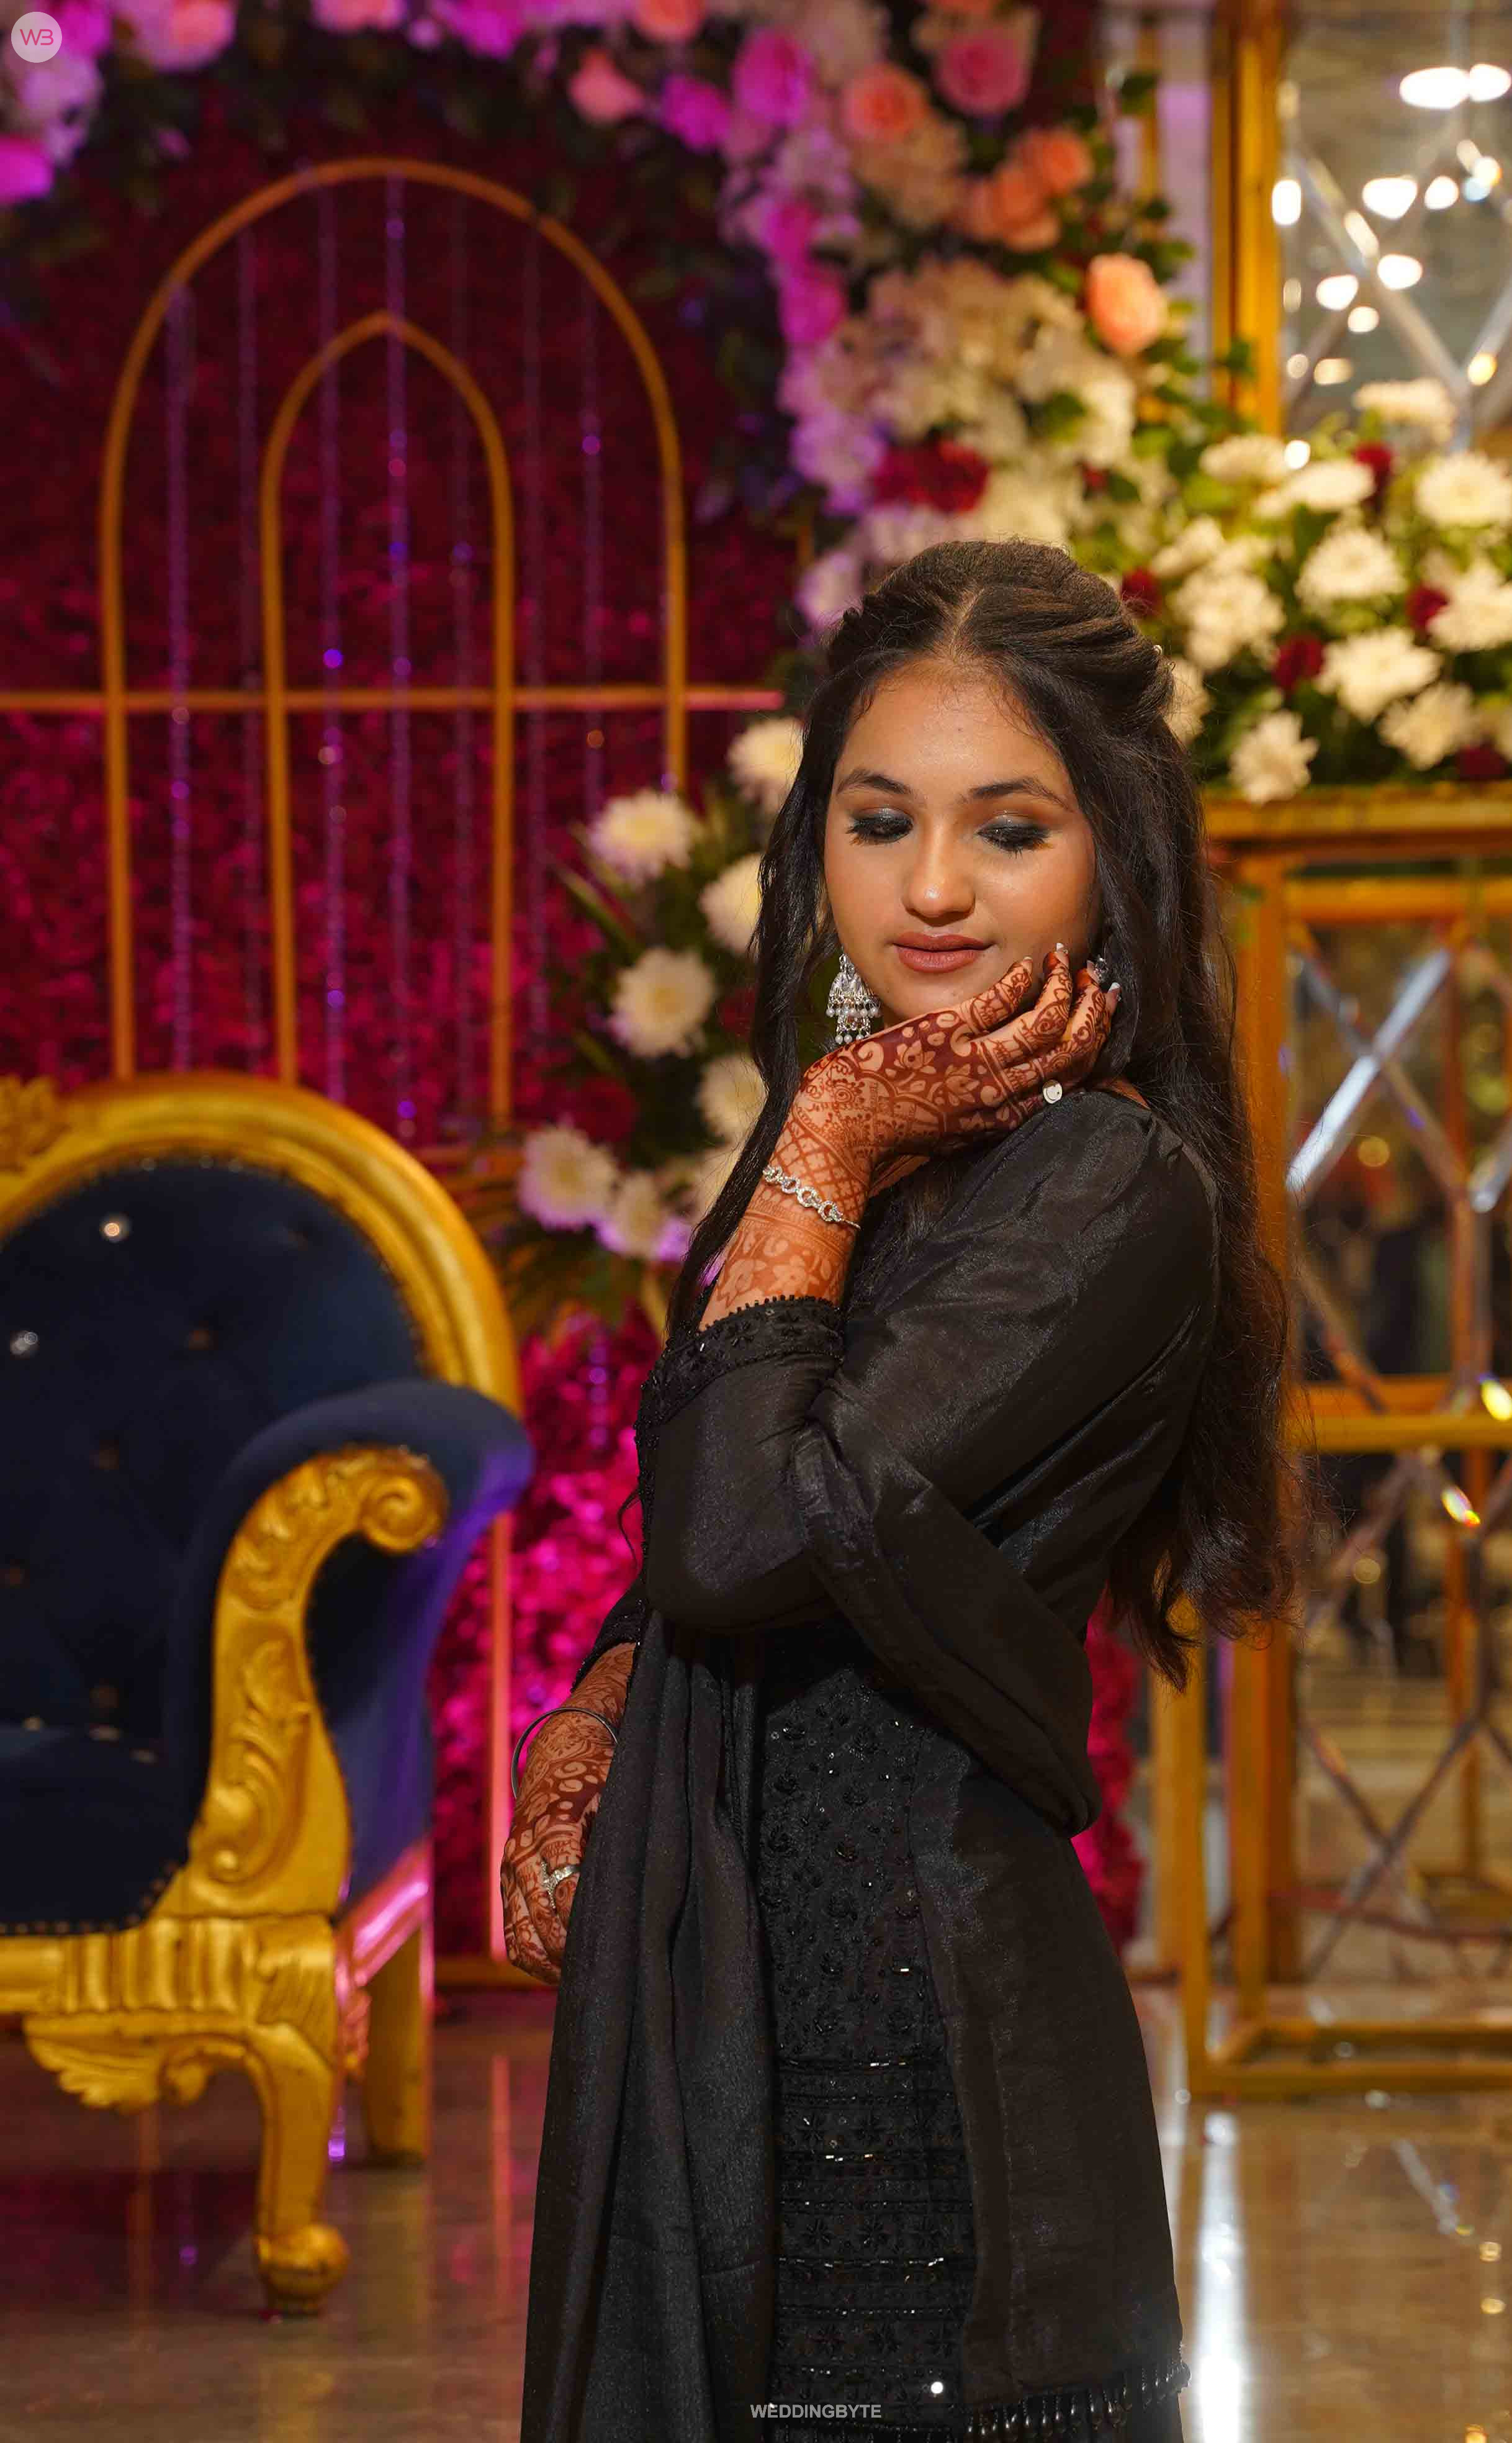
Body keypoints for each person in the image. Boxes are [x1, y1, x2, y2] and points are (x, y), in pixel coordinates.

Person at [502, 539, 1310, 2443]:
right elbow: (723, 1506)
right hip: (751, 2010)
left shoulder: (1102, 1188)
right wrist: (599, 1707)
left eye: (1007, 829)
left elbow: (742, 1539)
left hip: (924, 2063)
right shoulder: (886, 1149)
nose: (932, 888)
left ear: (1115, 853)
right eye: (881, 822)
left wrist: (825, 1135)